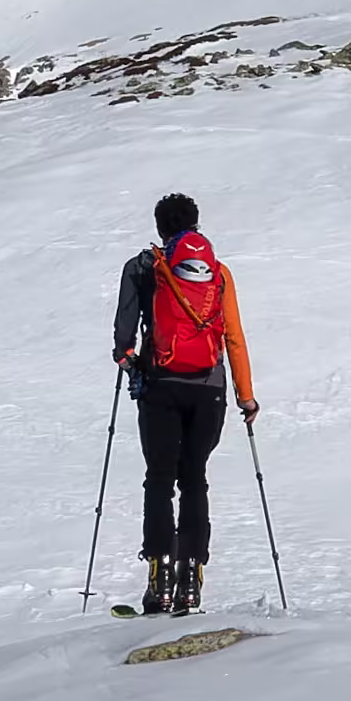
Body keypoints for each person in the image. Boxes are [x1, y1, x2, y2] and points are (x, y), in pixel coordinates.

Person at [112, 192, 257, 615]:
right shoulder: (220, 273)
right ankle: (191, 576)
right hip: (209, 388)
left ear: (160, 227)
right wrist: (245, 395)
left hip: (161, 385)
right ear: (195, 224)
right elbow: (233, 337)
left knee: (159, 478)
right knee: (194, 479)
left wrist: (129, 361)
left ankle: (158, 578)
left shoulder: (144, 267)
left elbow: (123, 334)